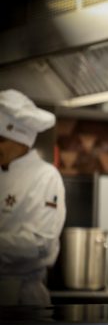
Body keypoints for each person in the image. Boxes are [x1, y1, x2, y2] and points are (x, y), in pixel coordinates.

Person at [0, 89, 66, 306]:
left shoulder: (45, 176)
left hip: (22, 297)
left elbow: (40, 243)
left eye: (1, 140)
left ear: (21, 140)